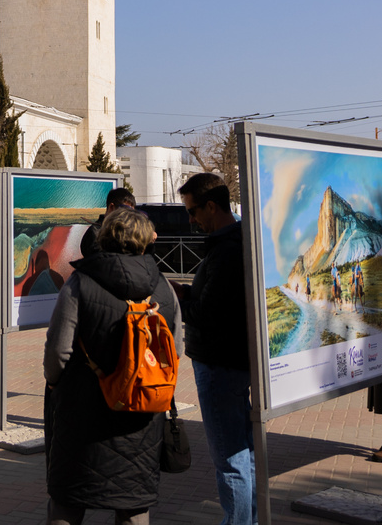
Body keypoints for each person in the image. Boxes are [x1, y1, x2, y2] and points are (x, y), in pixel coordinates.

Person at [43, 206, 180, 525]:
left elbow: (58, 351)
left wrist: (55, 383)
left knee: (68, 502)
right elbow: (174, 350)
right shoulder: (164, 289)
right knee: (133, 506)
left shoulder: (80, 284)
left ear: (103, 238)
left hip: (82, 410)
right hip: (141, 413)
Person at [170, 173, 256, 525]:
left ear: (211, 206)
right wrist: (188, 293)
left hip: (220, 365)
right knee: (242, 452)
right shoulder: (236, 243)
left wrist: (176, 305)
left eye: (193, 212)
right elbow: (219, 303)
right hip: (231, 361)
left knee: (229, 459)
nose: (190, 220)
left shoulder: (226, 249)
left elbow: (210, 314)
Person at [79, 187, 136, 257]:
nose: (128, 217)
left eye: (131, 213)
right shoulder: (95, 233)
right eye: (125, 211)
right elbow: (104, 260)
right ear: (112, 207)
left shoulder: (121, 230)